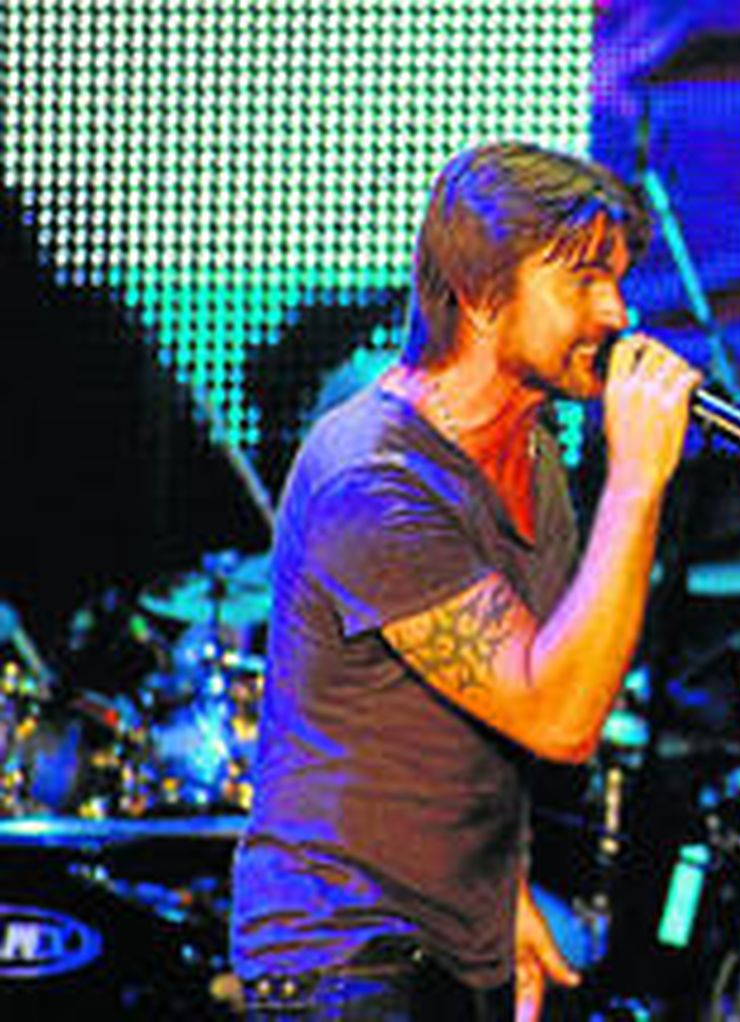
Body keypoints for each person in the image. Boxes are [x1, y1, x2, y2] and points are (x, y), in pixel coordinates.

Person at [230, 141, 702, 1020]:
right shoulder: (373, 481)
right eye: (585, 281)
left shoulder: (534, 450)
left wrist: (501, 892)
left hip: (451, 945)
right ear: (483, 294)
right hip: (344, 961)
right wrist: (639, 481)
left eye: (620, 278)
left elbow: (491, 715)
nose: (619, 312)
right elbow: (558, 716)